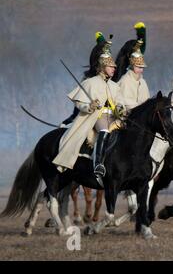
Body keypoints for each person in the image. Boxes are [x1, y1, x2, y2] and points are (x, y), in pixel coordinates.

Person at [53, 41, 126, 178]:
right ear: (102, 67)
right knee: (104, 130)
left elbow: (119, 102)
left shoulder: (115, 86)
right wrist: (90, 106)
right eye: (111, 66)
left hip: (114, 117)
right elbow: (80, 104)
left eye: (114, 66)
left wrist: (121, 109)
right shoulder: (89, 83)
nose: (114, 68)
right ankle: (98, 163)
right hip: (97, 117)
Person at [118, 40, 150, 110]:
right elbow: (125, 103)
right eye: (138, 67)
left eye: (142, 67)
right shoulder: (125, 81)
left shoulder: (143, 82)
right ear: (132, 66)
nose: (141, 70)